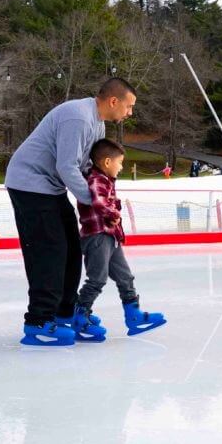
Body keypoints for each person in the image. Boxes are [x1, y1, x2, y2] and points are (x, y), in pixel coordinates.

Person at [5, 77, 136, 347]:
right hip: (29, 184)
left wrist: (104, 197)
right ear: (114, 101)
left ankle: (65, 314)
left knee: (72, 250)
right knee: (50, 250)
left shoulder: (96, 124)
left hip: (50, 188)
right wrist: (97, 203)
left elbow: (89, 168)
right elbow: (67, 167)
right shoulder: (78, 117)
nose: (130, 112)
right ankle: (39, 321)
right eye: (129, 106)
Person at [72, 139, 166, 341]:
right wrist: (112, 212)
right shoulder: (97, 179)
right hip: (97, 236)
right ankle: (79, 316)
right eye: (120, 163)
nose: (122, 167)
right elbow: (98, 201)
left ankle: (134, 315)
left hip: (110, 236)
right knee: (97, 279)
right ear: (107, 162)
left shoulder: (105, 180)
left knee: (125, 277)